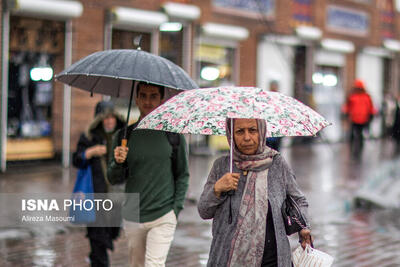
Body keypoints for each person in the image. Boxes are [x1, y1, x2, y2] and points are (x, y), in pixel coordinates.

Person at [198, 118, 312, 267]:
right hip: (227, 259)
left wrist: (304, 227)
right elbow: (204, 211)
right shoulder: (222, 166)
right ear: (230, 134)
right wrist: (217, 189)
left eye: (252, 130)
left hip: (271, 258)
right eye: (239, 131)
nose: (246, 137)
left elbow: (298, 200)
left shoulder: (276, 163)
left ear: (262, 131)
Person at [107, 82, 189, 267]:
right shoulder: (123, 136)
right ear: (136, 99)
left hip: (163, 214)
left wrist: (175, 210)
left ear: (161, 100)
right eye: (143, 95)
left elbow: (182, 174)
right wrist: (118, 162)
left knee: (154, 264)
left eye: (153, 96)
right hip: (133, 214)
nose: (147, 101)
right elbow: (113, 178)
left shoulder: (173, 135)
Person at [72, 100, 125, 267]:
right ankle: (99, 260)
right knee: (97, 236)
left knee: (111, 233)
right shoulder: (89, 137)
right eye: (105, 118)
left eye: (112, 118)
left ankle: (97, 256)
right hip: (94, 196)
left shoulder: (122, 138)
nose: (109, 121)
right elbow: (77, 160)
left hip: (116, 197)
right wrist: (90, 152)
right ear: (98, 119)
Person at [341, 79, 377, 158]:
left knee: (358, 135)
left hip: (361, 119)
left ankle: (357, 151)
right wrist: (346, 113)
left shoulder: (363, 97)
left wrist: (371, 115)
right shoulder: (355, 96)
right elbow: (347, 106)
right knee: (355, 135)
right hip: (355, 119)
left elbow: (371, 108)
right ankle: (354, 151)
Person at [266, 80, 283, 151]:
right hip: (268, 131)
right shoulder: (266, 99)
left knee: (276, 151)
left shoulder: (280, 99)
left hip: (277, 131)